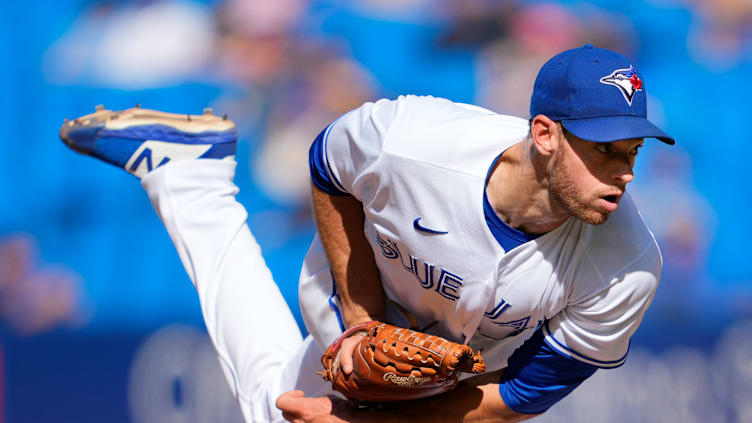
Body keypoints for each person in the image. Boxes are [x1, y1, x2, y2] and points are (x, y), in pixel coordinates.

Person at [60, 44, 674, 422]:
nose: (623, 172)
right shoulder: (413, 142)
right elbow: (329, 161)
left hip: (461, 380)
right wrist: (361, 321)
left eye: (633, 152)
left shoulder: (629, 263)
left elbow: (521, 396)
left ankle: (187, 173)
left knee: (273, 405)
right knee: (281, 409)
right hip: (356, 304)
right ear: (544, 135)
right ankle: (188, 176)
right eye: (604, 149)